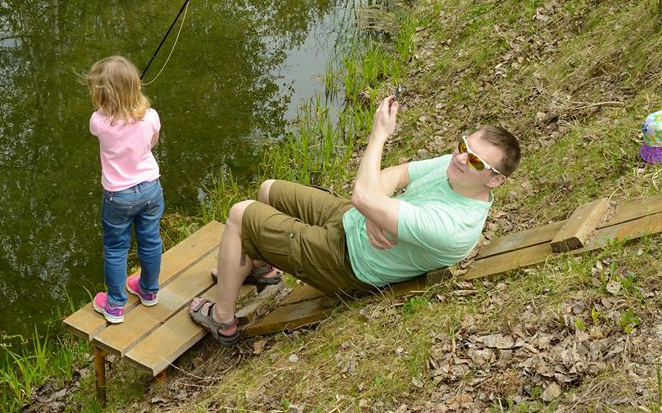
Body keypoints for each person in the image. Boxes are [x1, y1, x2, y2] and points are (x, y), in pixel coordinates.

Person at [189, 95, 521, 344]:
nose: (462, 158)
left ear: (494, 180)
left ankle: (223, 321)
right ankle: (261, 267)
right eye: (463, 146)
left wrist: (379, 136)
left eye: (476, 161)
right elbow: (393, 175)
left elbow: (363, 193)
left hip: (348, 262)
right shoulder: (455, 170)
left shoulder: (453, 226)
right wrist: (376, 211)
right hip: (353, 222)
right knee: (267, 190)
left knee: (239, 214)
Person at [84, 56, 164, 323]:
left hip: (118, 196)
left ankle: (116, 305)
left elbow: (108, 116)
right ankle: (149, 290)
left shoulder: (99, 122)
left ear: (102, 95)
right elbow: (152, 143)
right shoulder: (151, 116)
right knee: (150, 240)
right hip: (151, 188)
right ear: (135, 86)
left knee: (116, 248)